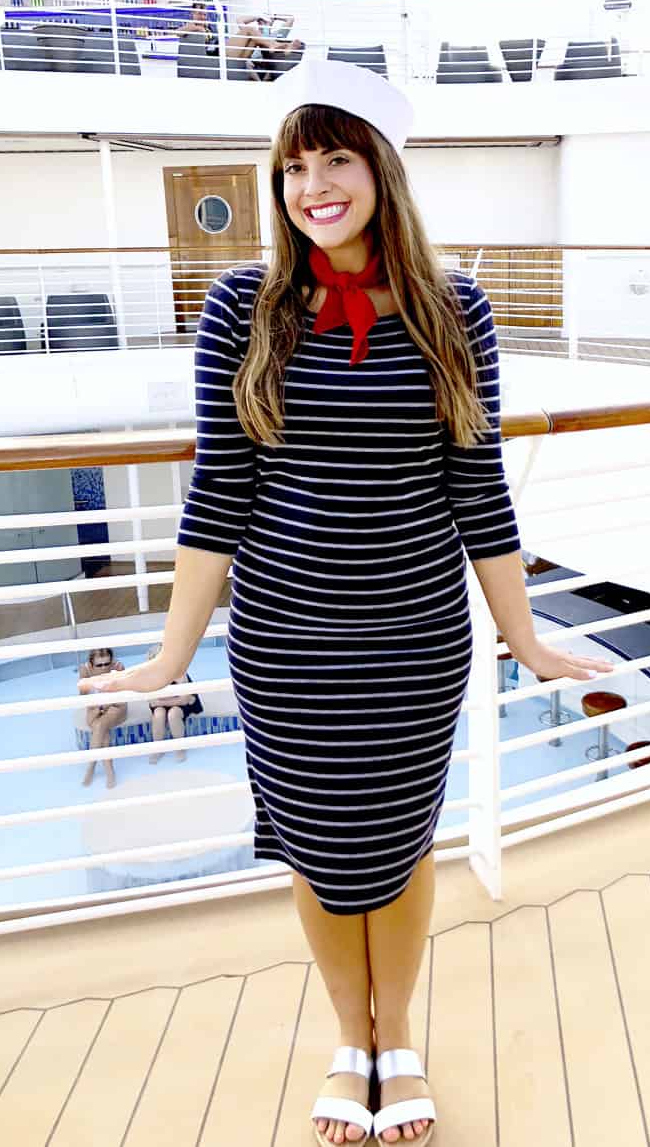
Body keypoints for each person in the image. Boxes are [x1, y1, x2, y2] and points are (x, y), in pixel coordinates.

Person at [80, 59, 613, 1145]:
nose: (314, 186)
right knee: (321, 848)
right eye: (293, 167)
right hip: (283, 643)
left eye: (336, 160)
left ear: (380, 170)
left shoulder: (454, 305)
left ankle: (397, 1035)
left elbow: (477, 482)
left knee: (400, 844)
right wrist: (169, 656)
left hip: (414, 637)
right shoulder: (244, 306)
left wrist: (524, 635)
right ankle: (348, 1039)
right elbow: (219, 488)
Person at [77, 647, 127, 788]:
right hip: (94, 708)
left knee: (99, 726)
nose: (104, 668)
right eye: (100, 665)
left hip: (115, 706)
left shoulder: (117, 668)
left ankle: (91, 768)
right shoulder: (85, 671)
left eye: (107, 663)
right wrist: (98, 706)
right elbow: (83, 698)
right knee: (102, 730)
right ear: (91, 664)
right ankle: (109, 771)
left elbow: (122, 698)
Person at [144, 645, 202, 762]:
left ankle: (180, 748)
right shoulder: (149, 675)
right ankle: (158, 749)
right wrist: (164, 701)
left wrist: (162, 701)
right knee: (159, 714)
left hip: (184, 704)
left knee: (173, 714)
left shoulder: (178, 671)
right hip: (171, 701)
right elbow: (152, 702)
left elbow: (185, 700)